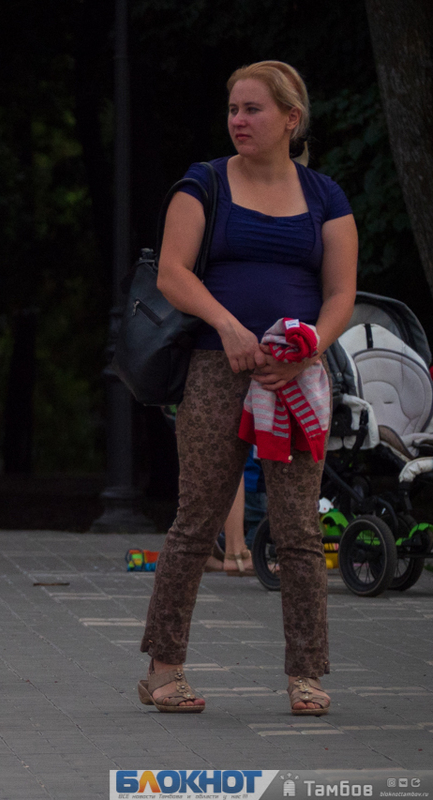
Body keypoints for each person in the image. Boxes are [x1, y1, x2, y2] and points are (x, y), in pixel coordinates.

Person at [139, 61, 357, 716]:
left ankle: (306, 676)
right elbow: (172, 274)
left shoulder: (325, 196)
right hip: (217, 368)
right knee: (196, 521)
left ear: (291, 118)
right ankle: (164, 670)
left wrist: (309, 348)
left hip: (298, 376)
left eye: (253, 109)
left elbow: (341, 293)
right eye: (233, 108)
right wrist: (230, 327)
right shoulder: (204, 183)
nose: (238, 119)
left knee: (298, 529)